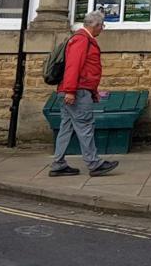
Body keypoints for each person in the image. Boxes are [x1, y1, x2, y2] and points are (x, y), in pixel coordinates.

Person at [49, 11, 118, 177]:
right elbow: (73, 66)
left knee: (67, 127)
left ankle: (58, 163)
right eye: (102, 26)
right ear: (96, 25)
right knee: (85, 126)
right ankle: (94, 163)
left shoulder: (82, 39)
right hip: (76, 92)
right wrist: (71, 91)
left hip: (73, 90)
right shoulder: (82, 40)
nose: (102, 29)